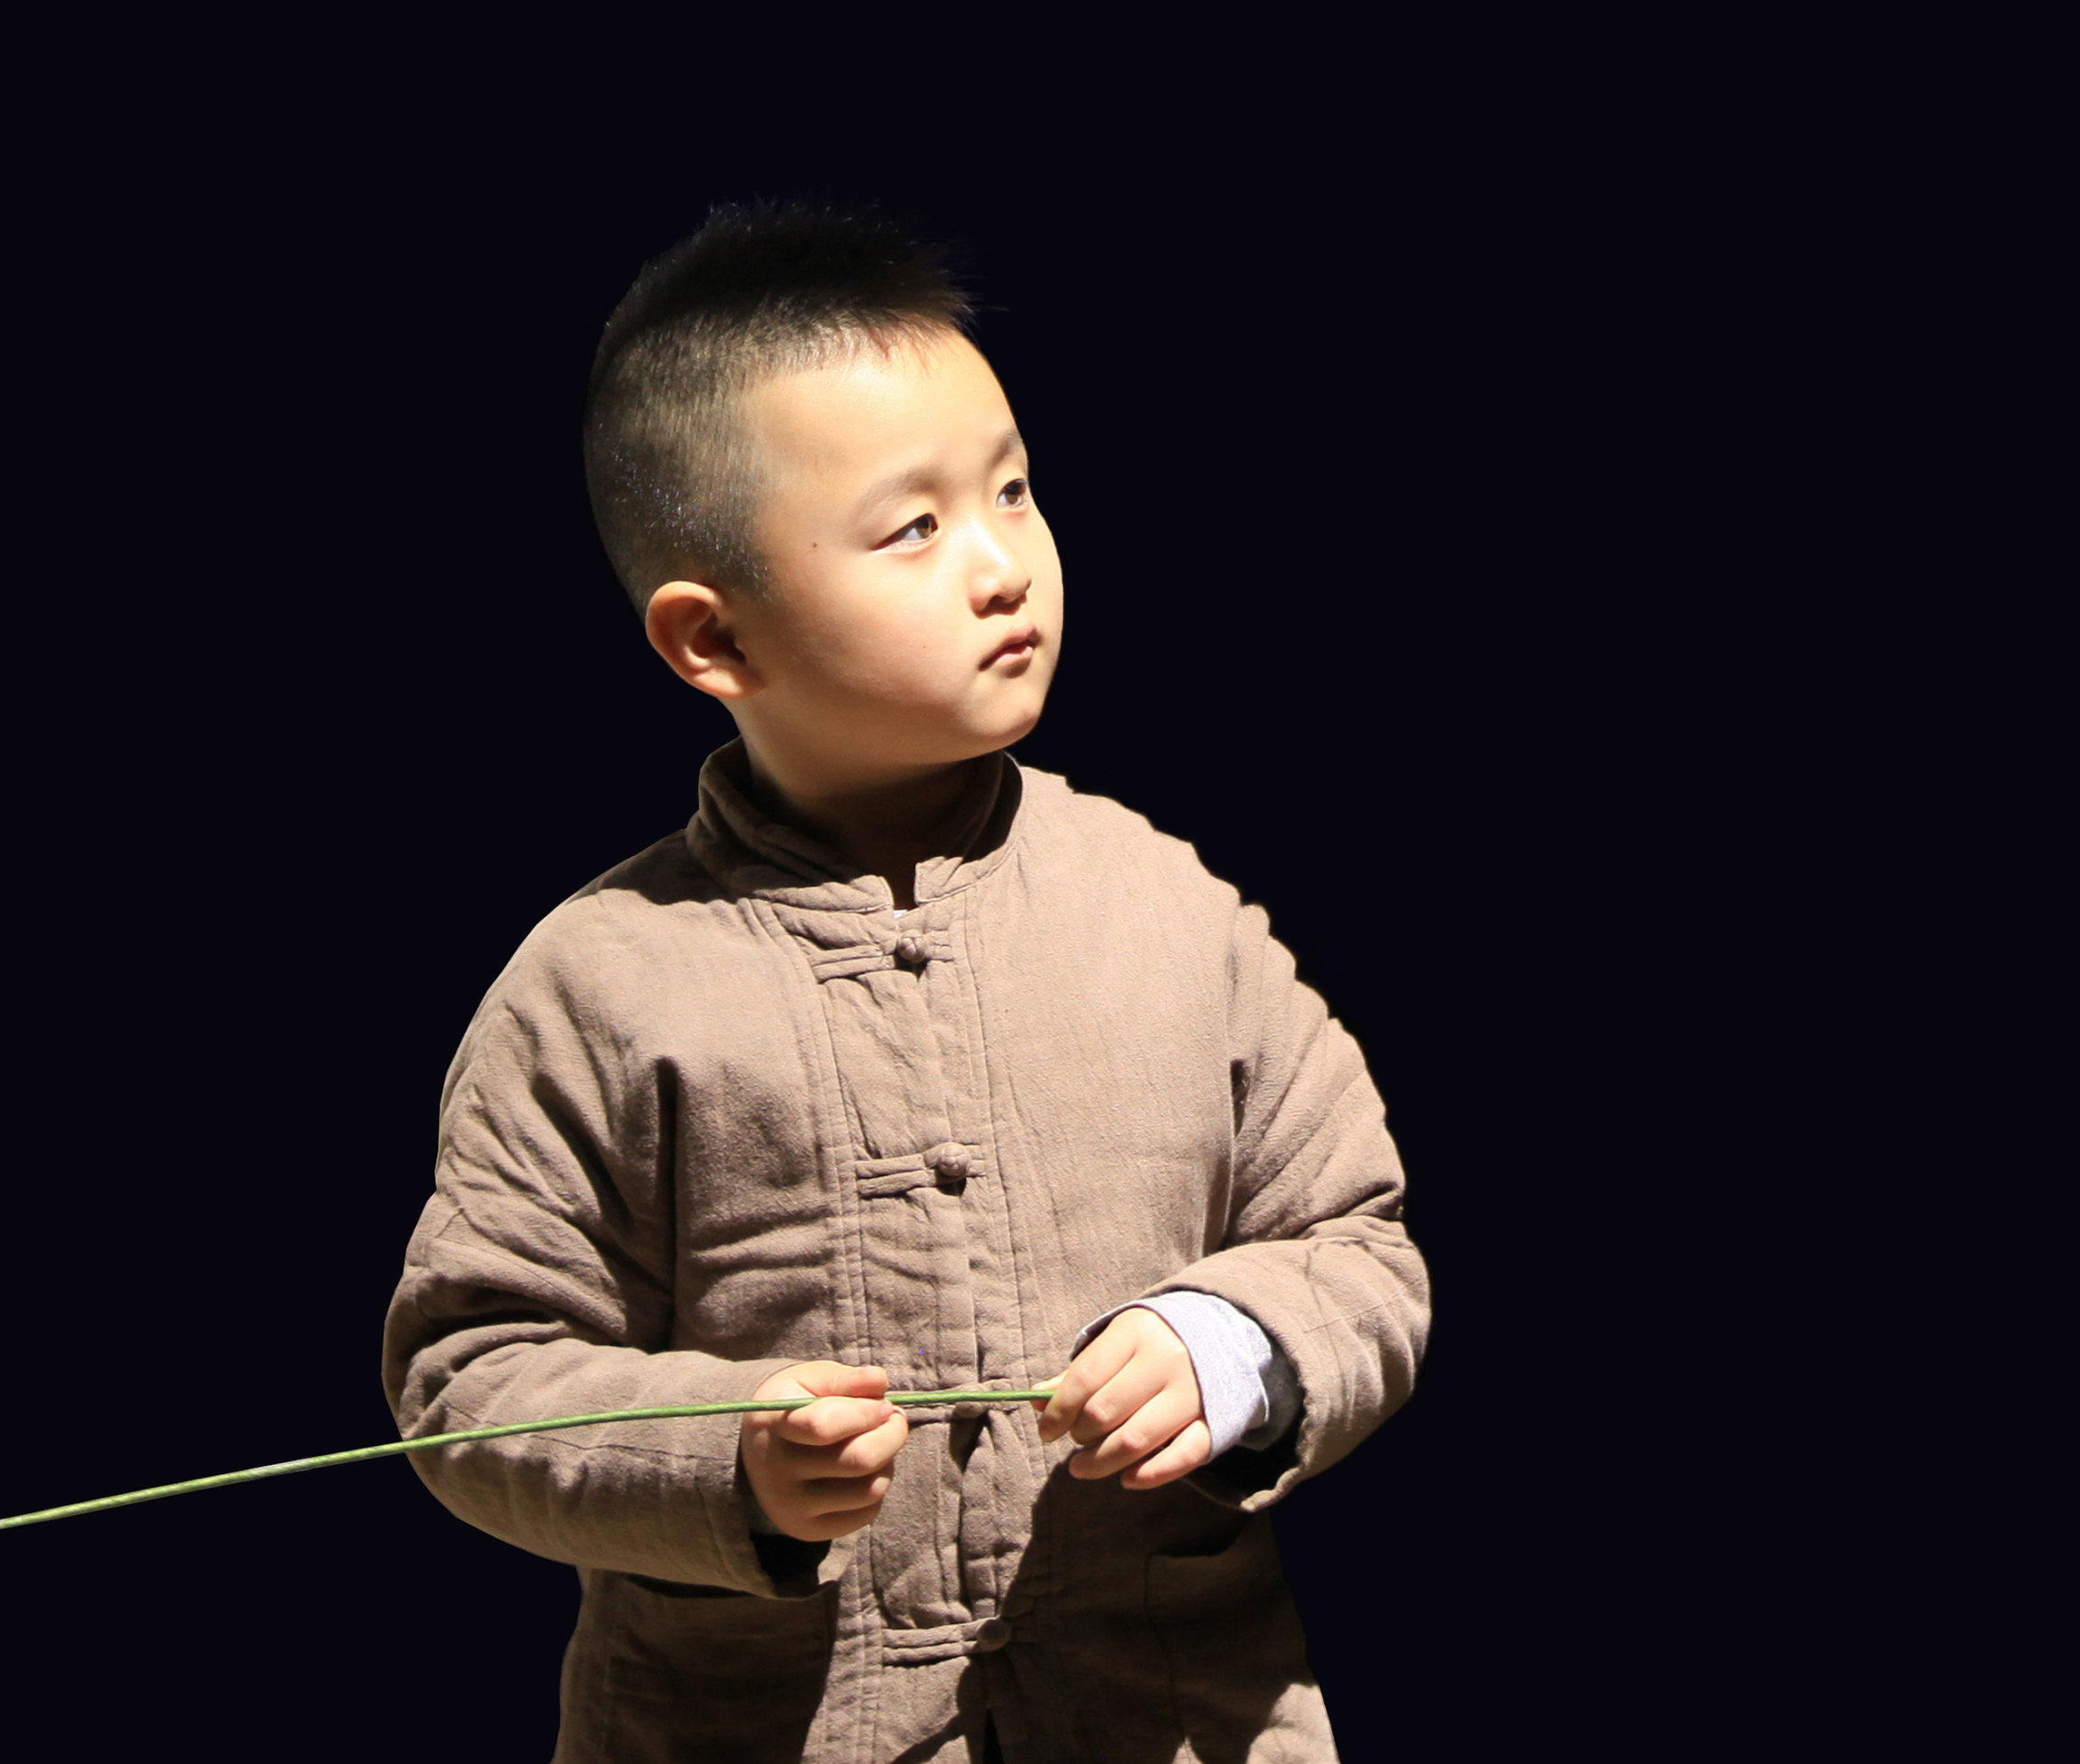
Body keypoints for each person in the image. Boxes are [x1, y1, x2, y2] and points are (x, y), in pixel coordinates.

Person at [381, 200, 1428, 1763]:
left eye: (1013, 489)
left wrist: (1232, 1345)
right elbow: (471, 1372)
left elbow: (1358, 1241)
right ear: (713, 639)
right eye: (915, 529)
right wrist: (726, 1454)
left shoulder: (1167, 908)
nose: (1006, 565)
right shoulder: (596, 986)